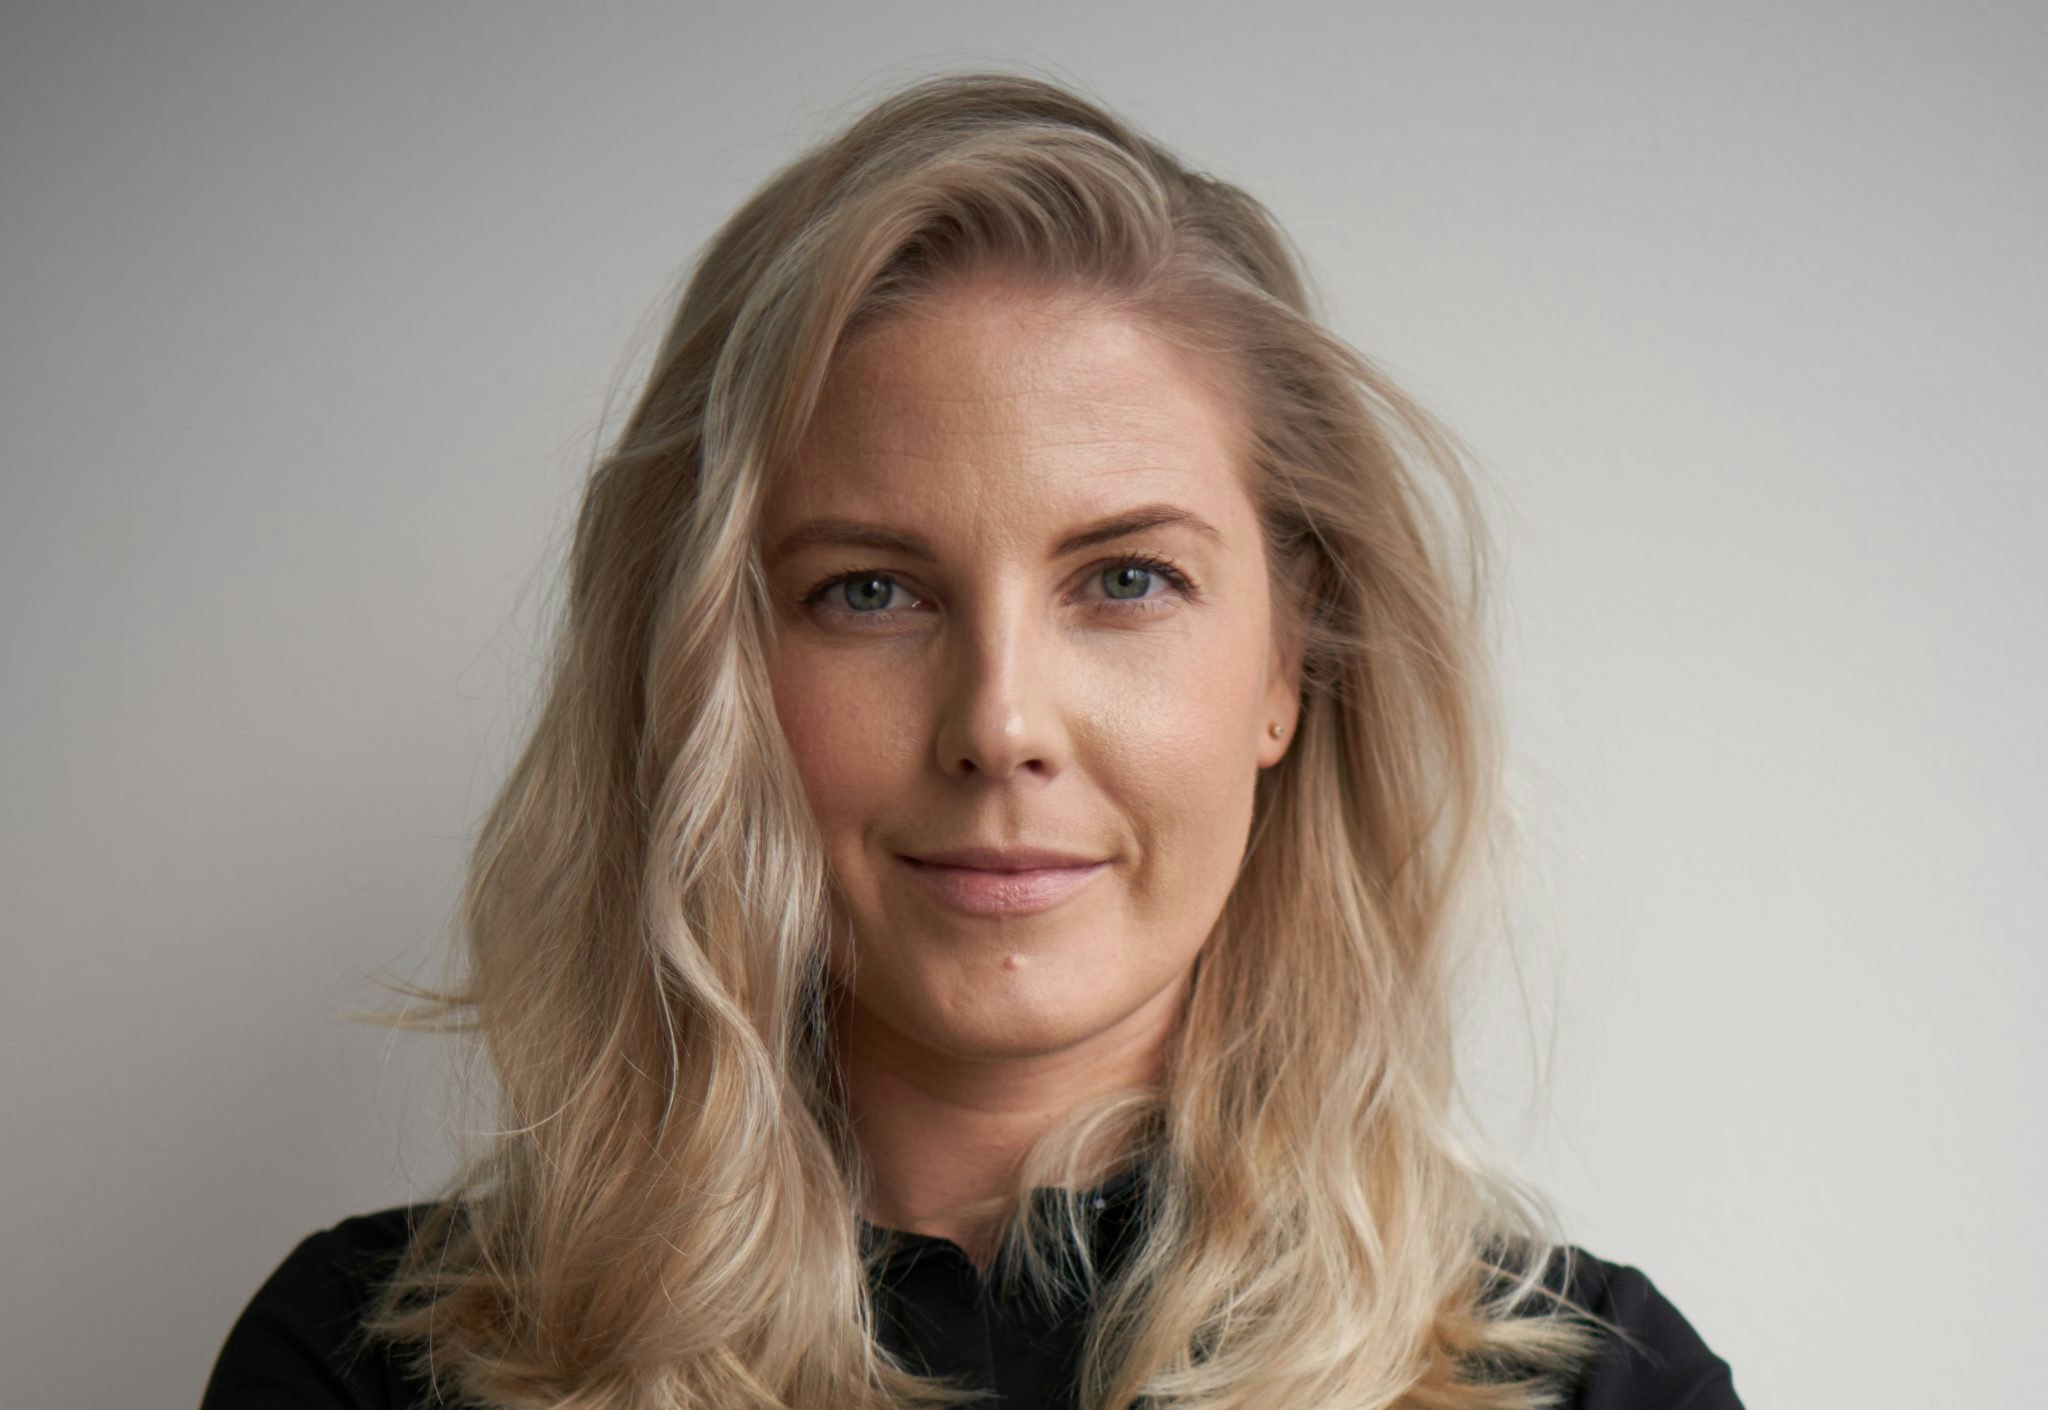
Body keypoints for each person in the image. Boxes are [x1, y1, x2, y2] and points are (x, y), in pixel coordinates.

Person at [199, 71, 1742, 1410]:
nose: (1001, 723)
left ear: (1289, 659)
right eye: (869, 591)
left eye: (1125, 580)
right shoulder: (368, 1365)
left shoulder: (1593, 1386)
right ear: (709, 665)